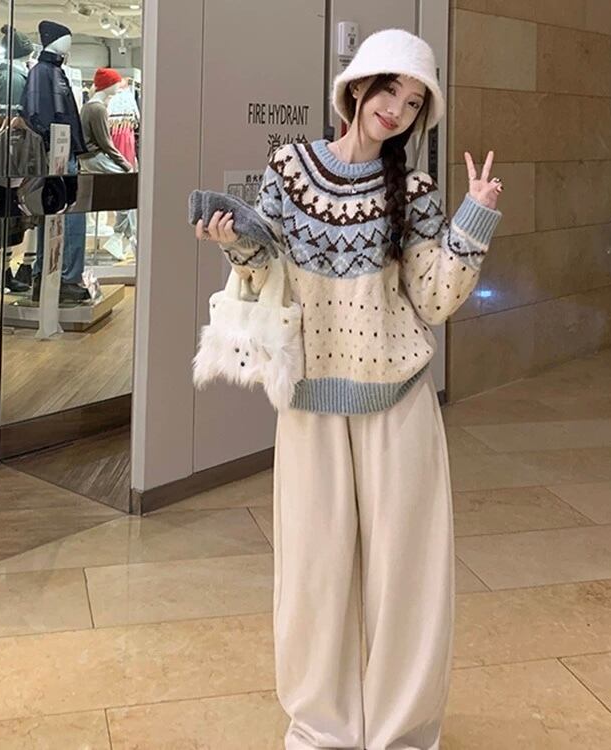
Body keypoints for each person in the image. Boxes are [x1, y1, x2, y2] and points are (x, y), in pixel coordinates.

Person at [196, 27, 503, 750]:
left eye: (414, 101)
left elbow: (433, 300)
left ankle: (402, 733)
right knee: (312, 574)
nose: (398, 108)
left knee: (407, 576)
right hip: (309, 399)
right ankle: (320, 729)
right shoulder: (289, 167)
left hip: (399, 399)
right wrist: (233, 244)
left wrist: (475, 214)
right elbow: (266, 272)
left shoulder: (415, 192)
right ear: (357, 86)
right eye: (391, 89)